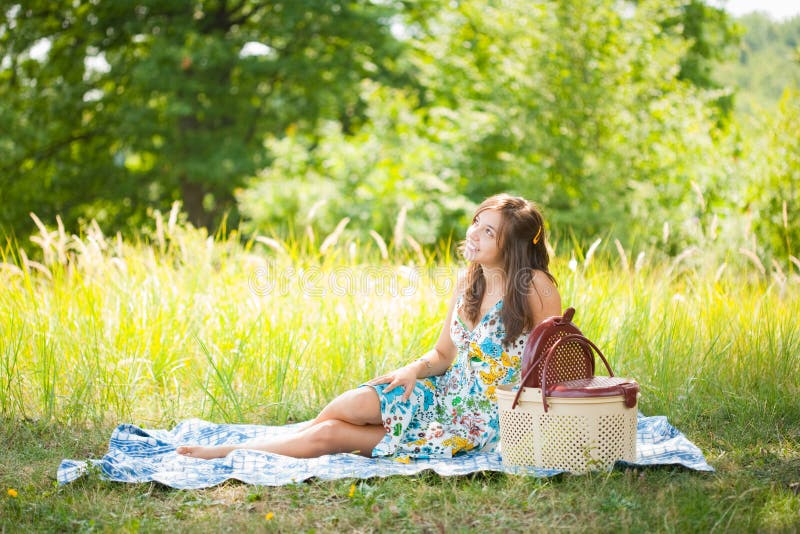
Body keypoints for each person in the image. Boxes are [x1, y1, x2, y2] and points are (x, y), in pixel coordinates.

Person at [176, 193, 561, 460]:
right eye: (476, 223)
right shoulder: (468, 281)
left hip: (480, 419)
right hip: (446, 392)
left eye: (488, 231)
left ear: (512, 244)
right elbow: (443, 354)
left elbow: (552, 363)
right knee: (358, 401)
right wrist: (412, 369)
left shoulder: (534, 286)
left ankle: (233, 451)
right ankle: (283, 438)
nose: (473, 233)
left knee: (331, 435)